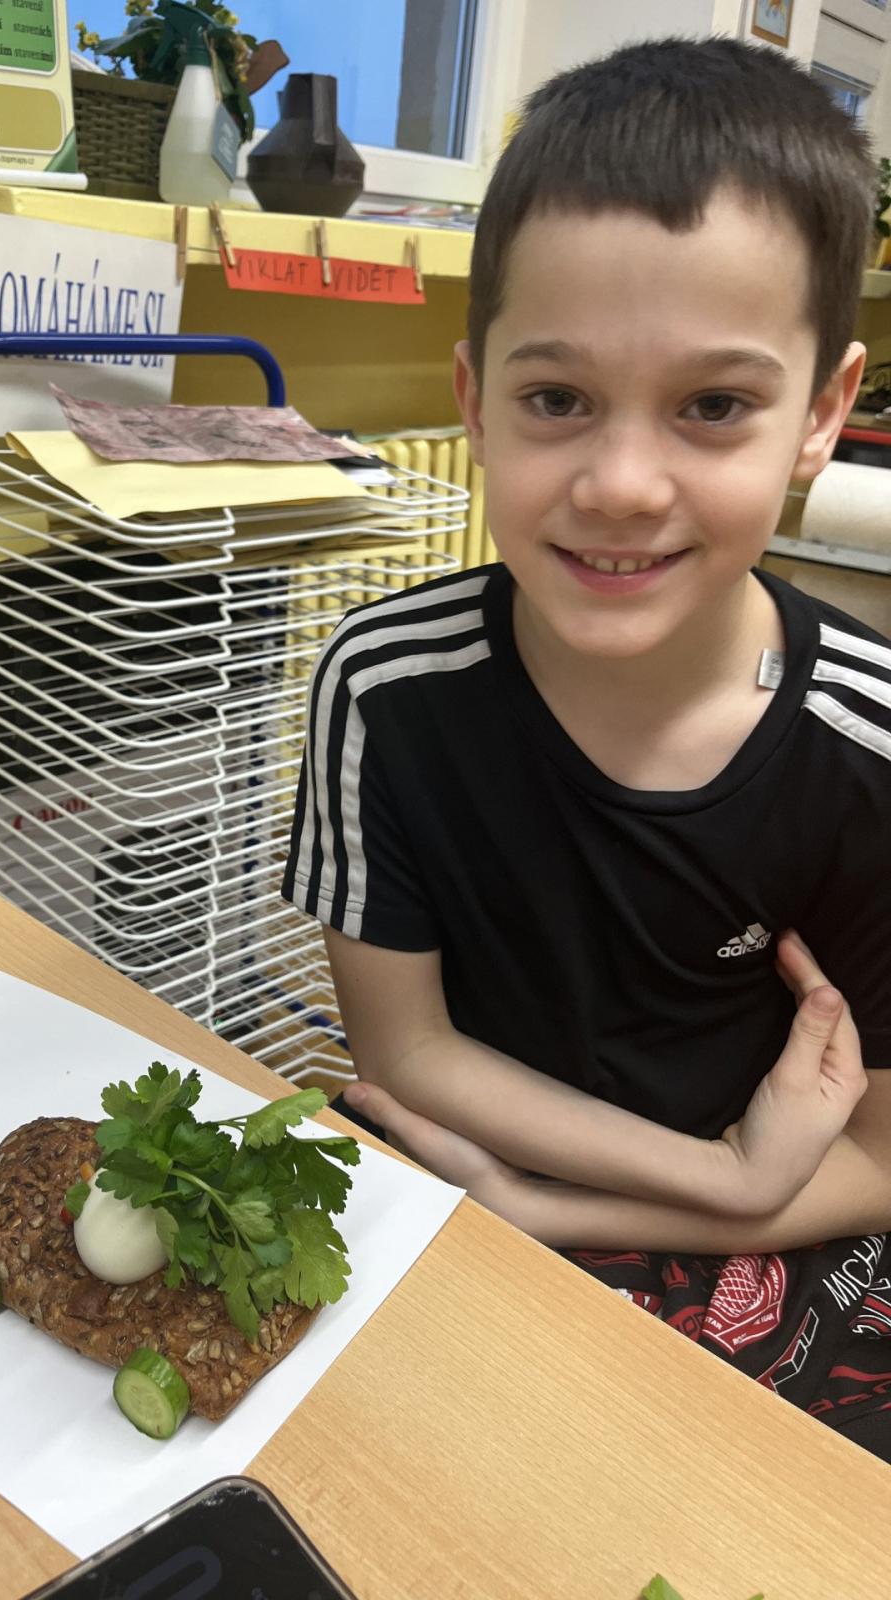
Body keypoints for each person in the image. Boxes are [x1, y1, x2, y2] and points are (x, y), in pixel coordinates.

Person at [282, 36, 891, 1458]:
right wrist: (715, 1171)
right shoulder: (384, 687)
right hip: (475, 1179)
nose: (620, 486)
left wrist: (645, 1205)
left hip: (785, 1232)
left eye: (714, 406)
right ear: (473, 399)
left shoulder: (869, 746)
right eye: (557, 399)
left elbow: (874, 1160)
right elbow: (405, 1049)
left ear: (820, 415)